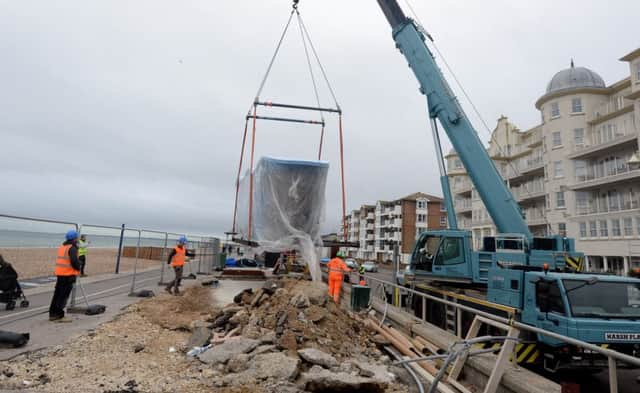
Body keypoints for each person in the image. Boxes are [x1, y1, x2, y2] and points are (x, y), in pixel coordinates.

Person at [48, 230, 81, 322]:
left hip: (60, 274)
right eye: (77, 238)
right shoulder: (72, 248)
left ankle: (52, 313)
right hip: (68, 275)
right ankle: (58, 315)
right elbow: (74, 261)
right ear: (75, 238)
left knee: (57, 295)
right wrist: (79, 267)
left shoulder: (63, 246)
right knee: (63, 296)